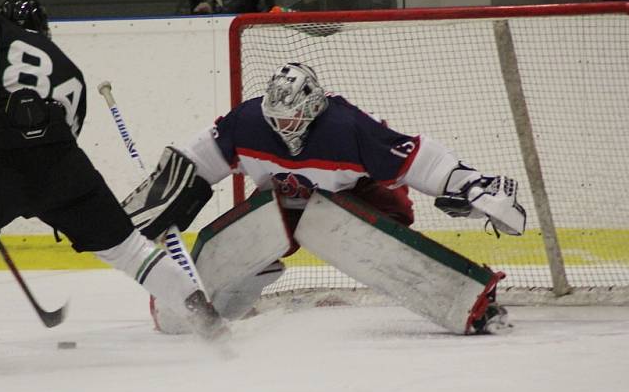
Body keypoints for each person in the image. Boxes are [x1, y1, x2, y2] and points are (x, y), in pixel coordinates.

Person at [0, 0, 227, 357]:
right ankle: (207, 319)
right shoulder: (70, 71)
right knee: (129, 249)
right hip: (60, 163)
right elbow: (54, 140)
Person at [125, 62, 526, 335]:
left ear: (314, 106)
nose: (283, 128)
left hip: (359, 201)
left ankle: (469, 301)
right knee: (186, 304)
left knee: (353, 232)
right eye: (276, 119)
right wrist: (160, 204)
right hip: (282, 206)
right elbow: (195, 163)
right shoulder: (247, 122)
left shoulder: (347, 127)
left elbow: (420, 159)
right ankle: (215, 293)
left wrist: (472, 185)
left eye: (292, 118)